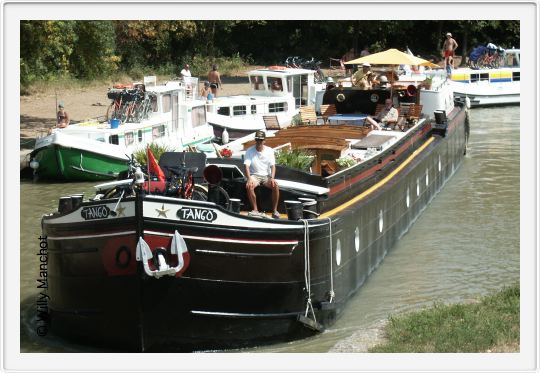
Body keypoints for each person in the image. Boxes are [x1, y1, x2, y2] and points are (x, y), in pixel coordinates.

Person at [244, 130, 280, 219]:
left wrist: (272, 178)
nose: (259, 142)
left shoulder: (269, 150)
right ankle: (255, 210)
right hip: (254, 175)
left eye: (261, 140)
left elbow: (273, 166)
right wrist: (249, 178)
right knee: (249, 186)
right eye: (257, 140)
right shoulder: (249, 151)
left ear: (264, 140)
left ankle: (275, 210)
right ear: (255, 140)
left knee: (275, 185)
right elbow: (246, 166)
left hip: (266, 176)